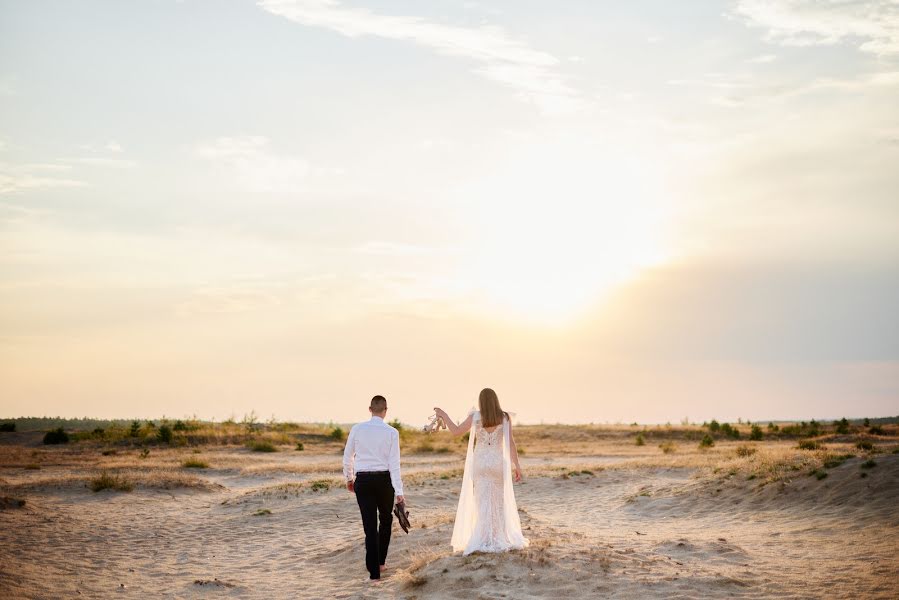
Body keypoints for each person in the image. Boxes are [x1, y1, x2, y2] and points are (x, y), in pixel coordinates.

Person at [434, 388, 528, 555]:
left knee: (482, 501)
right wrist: (517, 466)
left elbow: (456, 431)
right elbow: (511, 443)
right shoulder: (504, 417)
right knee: (497, 501)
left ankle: (483, 537)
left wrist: (443, 414)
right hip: (498, 462)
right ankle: (497, 536)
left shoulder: (475, 417)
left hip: (480, 463)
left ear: (481, 401)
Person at [343, 395, 406, 581]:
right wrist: (399, 492)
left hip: (362, 480)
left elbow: (348, 457)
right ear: (386, 411)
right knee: (385, 521)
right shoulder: (392, 432)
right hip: (384, 481)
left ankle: (374, 573)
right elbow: (395, 464)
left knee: (369, 527)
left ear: (370, 409)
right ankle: (381, 563)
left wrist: (349, 479)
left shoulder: (357, 429)